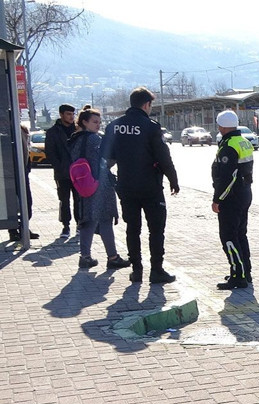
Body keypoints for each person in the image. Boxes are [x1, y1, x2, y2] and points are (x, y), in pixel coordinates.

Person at [103, 87, 180, 284]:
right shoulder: (151, 127)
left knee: (132, 228)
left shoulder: (114, 126)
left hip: (126, 186)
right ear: (146, 104)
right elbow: (164, 157)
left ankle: (136, 271)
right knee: (156, 229)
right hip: (150, 187)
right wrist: (173, 180)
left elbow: (106, 158)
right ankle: (156, 271)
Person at [68, 108, 130, 270]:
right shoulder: (94, 139)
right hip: (99, 184)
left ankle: (85, 256)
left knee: (88, 220)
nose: (98, 125)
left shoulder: (75, 139)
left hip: (83, 183)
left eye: (99, 122)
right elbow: (104, 161)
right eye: (94, 122)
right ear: (84, 122)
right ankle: (112, 257)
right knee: (105, 219)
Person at [211, 109, 253, 290]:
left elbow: (228, 177)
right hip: (245, 193)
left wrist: (217, 199)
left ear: (222, 126)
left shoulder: (229, 146)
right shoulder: (243, 141)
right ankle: (246, 272)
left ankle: (238, 276)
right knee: (240, 235)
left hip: (232, 197)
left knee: (228, 236)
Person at [44, 104, 78, 238]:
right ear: (61, 115)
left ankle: (80, 224)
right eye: (68, 114)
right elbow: (50, 152)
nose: (71, 117)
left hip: (78, 173)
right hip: (62, 173)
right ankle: (66, 226)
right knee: (64, 200)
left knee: (79, 200)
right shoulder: (53, 132)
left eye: (72, 114)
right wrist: (59, 166)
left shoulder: (77, 130)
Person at [8, 124, 39, 241]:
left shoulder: (20, 128)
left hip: (22, 170)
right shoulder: (7, 127)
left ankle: (24, 227)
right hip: (9, 171)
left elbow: (25, 149)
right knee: (11, 203)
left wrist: (27, 167)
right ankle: (13, 230)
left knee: (27, 201)